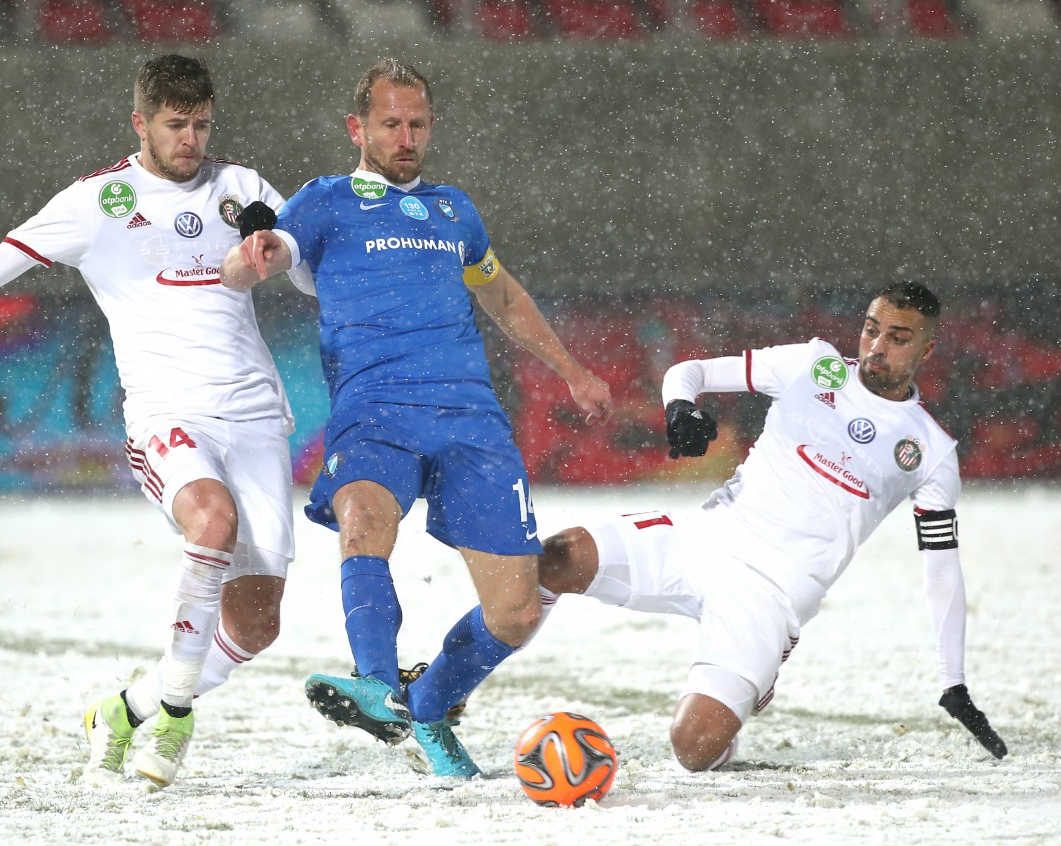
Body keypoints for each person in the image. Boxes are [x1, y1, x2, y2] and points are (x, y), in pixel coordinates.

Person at [0, 54, 314, 790]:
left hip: (258, 416)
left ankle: (129, 709)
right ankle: (173, 712)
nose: (191, 140)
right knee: (212, 521)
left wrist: (283, 248)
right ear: (140, 121)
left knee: (257, 624)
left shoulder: (244, 189)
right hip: (168, 413)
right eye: (176, 125)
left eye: (202, 124)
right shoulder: (96, 202)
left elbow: (308, 264)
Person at [220, 58, 614, 778]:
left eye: (417, 123)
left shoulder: (453, 210)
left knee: (518, 614)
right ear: (358, 127)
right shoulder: (326, 201)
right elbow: (255, 262)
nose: (405, 136)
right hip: (375, 410)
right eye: (390, 123)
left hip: (470, 415)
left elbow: (503, 297)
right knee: (363, 519)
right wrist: (251, 253)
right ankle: (376, 682)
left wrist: (573, 370)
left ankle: (425, 704)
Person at [537, 281, 1007, 771]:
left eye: (899, 338)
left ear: (927, 348)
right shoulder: (813, 365)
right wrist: (680, 406)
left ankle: (753, 678)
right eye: (871, 330)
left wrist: (953, 681)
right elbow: (689, 371)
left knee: (693, 747)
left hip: (772, 594)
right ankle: (452, 701)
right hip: (708, 536)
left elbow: (942, 571)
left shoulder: (930, 451)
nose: (877, 347)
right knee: (554, 558)